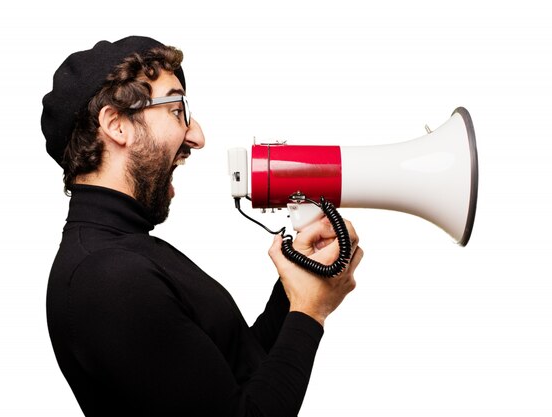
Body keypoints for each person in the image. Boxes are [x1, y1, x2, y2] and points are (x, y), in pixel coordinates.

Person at [42, 36, 363, 417]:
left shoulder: (125, 254)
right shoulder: (107, 276)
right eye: (177, 109)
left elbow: (238, 369)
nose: (197, 136)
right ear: (116, 124)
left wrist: (296, 291)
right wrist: (311, 313)